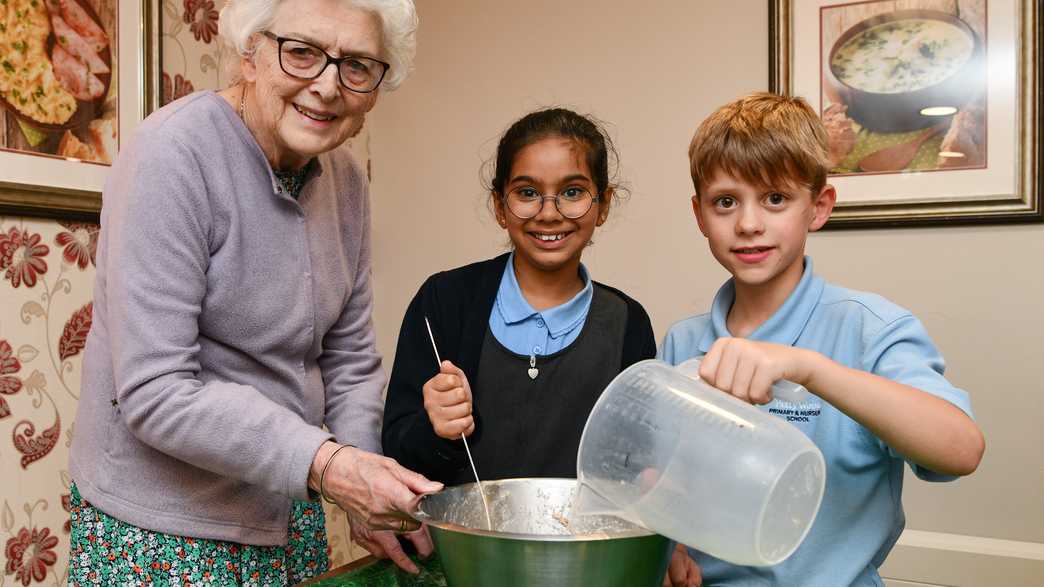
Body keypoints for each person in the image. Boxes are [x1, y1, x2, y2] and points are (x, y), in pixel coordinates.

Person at [66, 0, 441, 582]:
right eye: (302, 53)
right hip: (164, 531)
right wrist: (332, 468)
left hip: (286, 509)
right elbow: (156, 390)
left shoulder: (344, 181)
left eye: (357, 66)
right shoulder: (172, 154)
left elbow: (347, 359)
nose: (326, 86)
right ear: (250, 54)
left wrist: (366, 480)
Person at [660, 92, 985, 586]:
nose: (749, 224)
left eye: (775, 199)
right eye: (726, 202)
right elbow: (667, 480)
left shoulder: (871, 329)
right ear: (700, 215)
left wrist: (809, 368)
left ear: (818, 207)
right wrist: (673, 546)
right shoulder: (682, 343)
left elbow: (960, 450)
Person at [381, 108, 701, 587]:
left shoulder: (627, 323)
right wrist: (437, 429)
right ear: (500, 204)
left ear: (604, 203)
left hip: (585, 573)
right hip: (461, 570)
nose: (549, 212)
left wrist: (667, 542)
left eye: (573, 192)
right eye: (527, 193)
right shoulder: (444, 303)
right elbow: (399, 451)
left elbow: (637, 472)